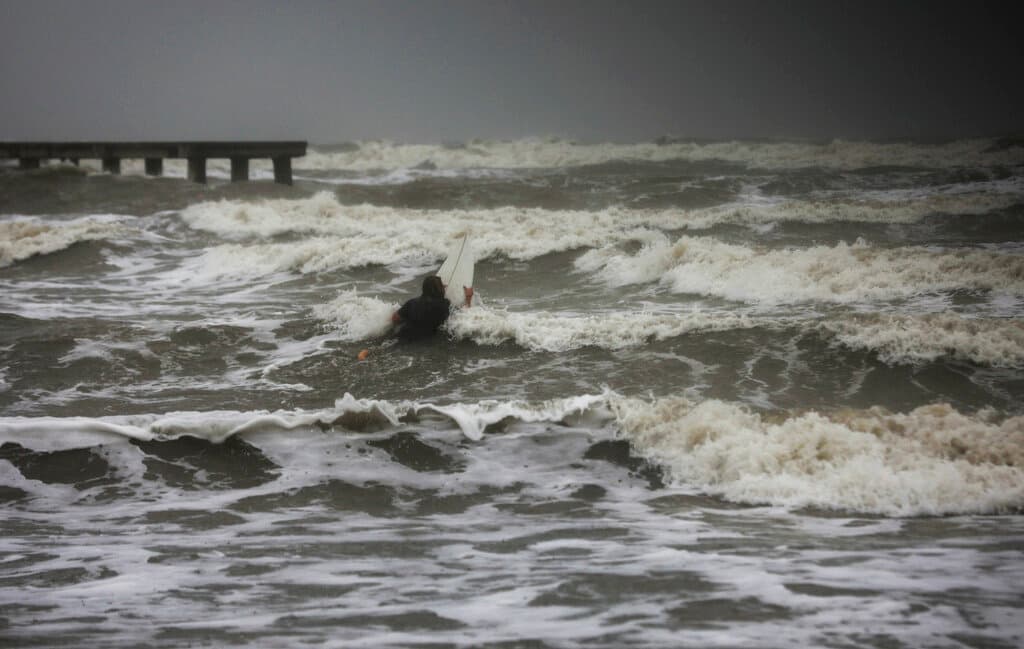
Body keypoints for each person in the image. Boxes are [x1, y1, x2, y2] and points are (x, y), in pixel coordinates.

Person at [391, 275, 473, 341]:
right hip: (424, 341)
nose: (444, 287)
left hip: (402, 336)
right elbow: (462, 315)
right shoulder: (444, 305)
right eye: (442, 285)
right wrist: (468, 298)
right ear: (439, 289)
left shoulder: (412, 303)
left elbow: (395, 318)